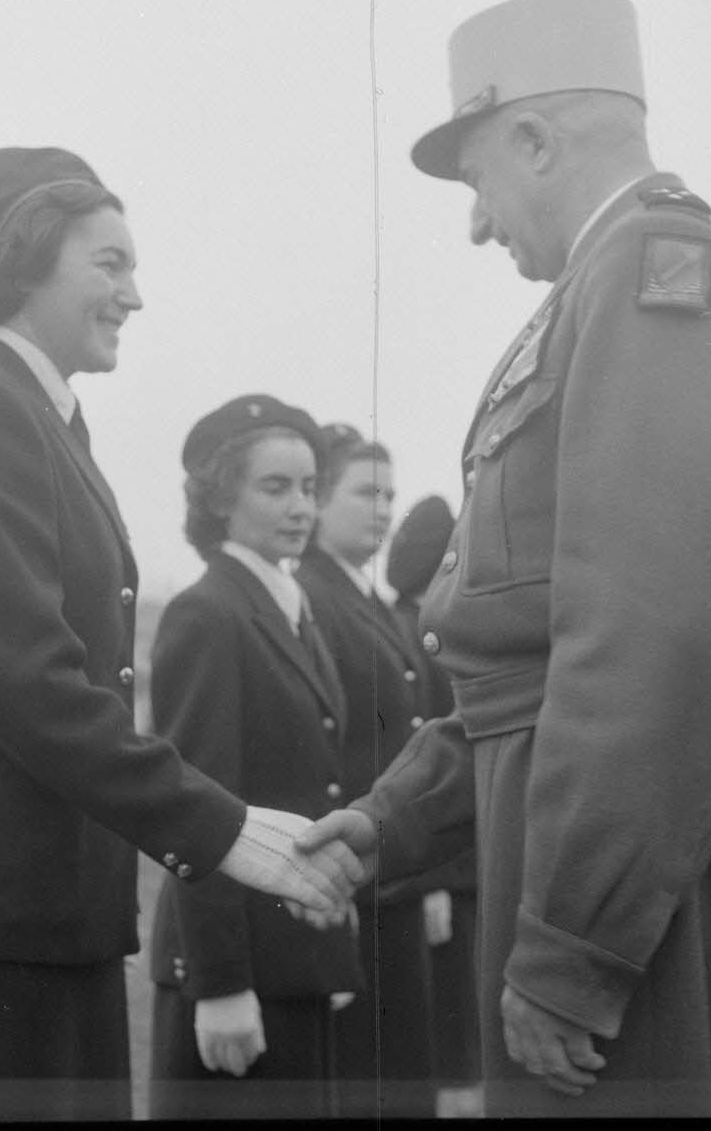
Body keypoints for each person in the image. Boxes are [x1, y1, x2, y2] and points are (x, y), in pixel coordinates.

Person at [297, 0, 711, 1117]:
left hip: (623, 875)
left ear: (533, 138)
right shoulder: (603, 284)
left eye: (478, 178)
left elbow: (654, 634)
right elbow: (528, 650)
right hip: (601, 845)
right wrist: (397, 816)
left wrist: (573, 947)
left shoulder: (650, 271)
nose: (477, 223)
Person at [0, 152, 358, 1122]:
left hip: (53, 903)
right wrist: (220, 825)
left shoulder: (45, 417)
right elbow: (33, 684)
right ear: (23, 262)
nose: (133, 293)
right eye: (108, 262)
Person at [147, 395, 363, 1119]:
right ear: (218, 498)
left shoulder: (288, 604)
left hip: (297, 966)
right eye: (275, 488)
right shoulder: (209, 613)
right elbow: (195, 811)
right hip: (242, 982)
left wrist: (331, 952)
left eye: (309, 488)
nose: (300, 506)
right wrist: (220, 984)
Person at [295, 425, 437, 1119]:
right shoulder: (311, 596)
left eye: (390, 494)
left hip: (391, 871)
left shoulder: (369, 599)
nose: (382, 508)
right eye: (364, 492)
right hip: (349, 874)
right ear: (319, 500)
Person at [384, 494, 483, 1112]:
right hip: (439, 864)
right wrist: (437, 880)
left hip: (440, 860)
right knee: (448, 1041)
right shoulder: (424, 636)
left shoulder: (404, 623)